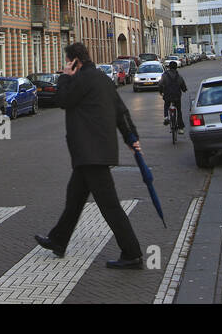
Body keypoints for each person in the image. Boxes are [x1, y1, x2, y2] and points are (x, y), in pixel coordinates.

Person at [35, 42, 143, 269]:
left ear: (75, 61)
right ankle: (58, 240)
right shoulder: (103, 79)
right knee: (74, 199)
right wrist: (131, 137)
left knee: (110, 206)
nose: (66, 65)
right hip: (93, 154)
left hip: (91, 154)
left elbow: (62, 100)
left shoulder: (80, 80)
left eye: (68, 61)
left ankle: (132, 253)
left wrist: (65, 76)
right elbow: (120, 112)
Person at [159, 59, 187, 129]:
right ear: (176, 67)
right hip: (177, 96)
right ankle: (180, 128)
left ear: (169, 67)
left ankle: (166, 117)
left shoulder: (165, 75)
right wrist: (184, 89)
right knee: (179, 110)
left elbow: (160, 84)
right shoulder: (179, 76)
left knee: (166, 105)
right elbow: (183, 85)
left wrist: (161, 92)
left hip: (167, 95)